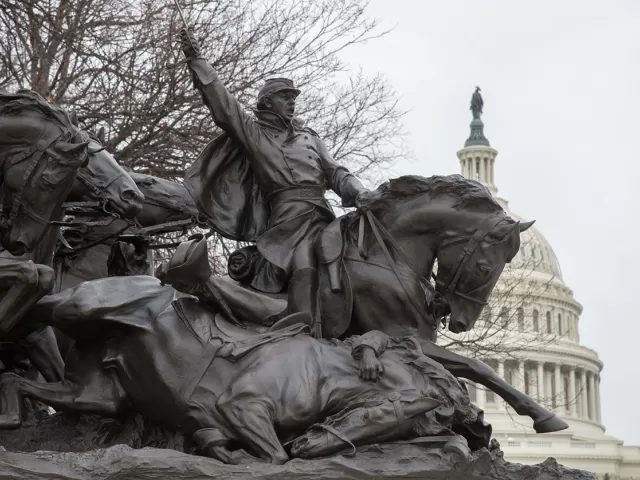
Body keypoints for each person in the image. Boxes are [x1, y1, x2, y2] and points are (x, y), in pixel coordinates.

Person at [179, 28, 370, 336]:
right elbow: (224, 106)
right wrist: (196, 59)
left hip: (322, 216)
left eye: (293, 98)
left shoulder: (310, 138)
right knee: (307, 256)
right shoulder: (256, 135)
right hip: (288, 224)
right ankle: (304, 323)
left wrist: (360, 193)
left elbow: (337, 173)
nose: (292, 103)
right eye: (285, 98)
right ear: (267, 103)